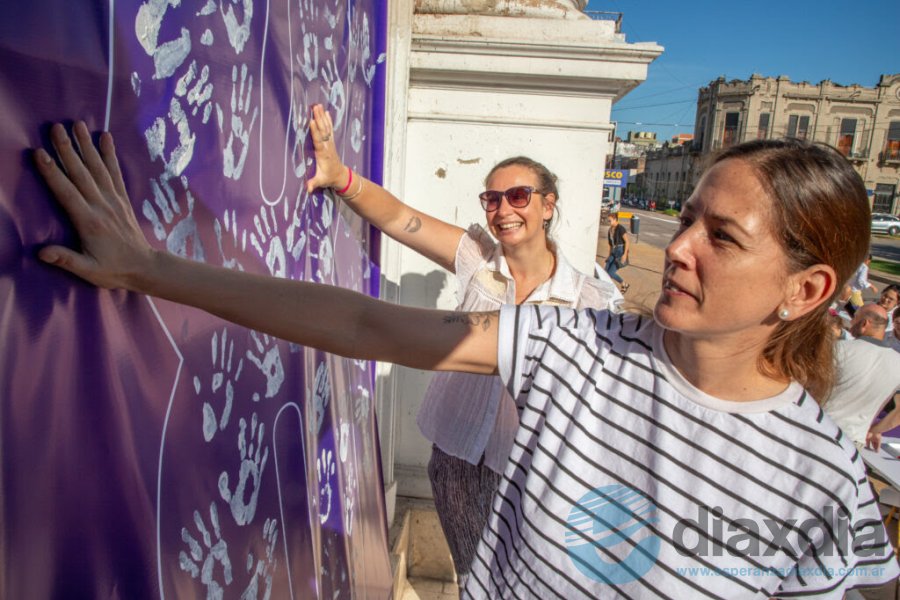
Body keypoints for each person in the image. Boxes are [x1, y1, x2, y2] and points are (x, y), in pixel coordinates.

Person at [32, 125, 899, 597]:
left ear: (806, 289)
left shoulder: (824, 477)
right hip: (459, 462)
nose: (681, 250)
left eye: (723, 237)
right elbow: (368, 324)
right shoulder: (578, 347)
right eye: (689, 221)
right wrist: (151, 268)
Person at [304, 106, 621, 582]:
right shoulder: (477, 257)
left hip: (530, 471)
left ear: (547, 205)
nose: (503, 210)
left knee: (528, 580)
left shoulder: (591, 299)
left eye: (518, 196)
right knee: (475, 577)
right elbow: (398, 218)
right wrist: (339, 175)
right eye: (492, 199)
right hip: (455, 459)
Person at [822, 303, 900, 448]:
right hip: (853, 440)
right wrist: (874, 430)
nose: (851, 322)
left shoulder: (838, 349)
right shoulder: (897, 363)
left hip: (819, 428)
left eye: (855, 318)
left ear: (864, 323)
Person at [603, 212, 630, 294]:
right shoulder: (610, 230)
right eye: (608, 220)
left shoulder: (621, 228)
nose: (609, 222)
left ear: (615, 219)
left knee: (610, 272)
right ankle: (605, 289)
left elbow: (627, 242)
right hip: (613, 252)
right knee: (605, 271)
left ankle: (624, 283)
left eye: (610, 220)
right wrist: (608, 255)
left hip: (620, 251)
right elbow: (611, 245)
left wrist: (625, 255)